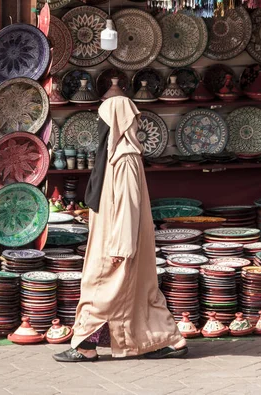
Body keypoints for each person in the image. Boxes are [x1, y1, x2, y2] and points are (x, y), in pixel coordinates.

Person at [53, 96, 187, 362]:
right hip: (113, 237)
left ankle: (85, 346)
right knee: (135, 295)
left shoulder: (124, 158)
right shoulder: (116, 154)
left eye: (102, 121)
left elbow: (128, 205)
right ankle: (170, 340)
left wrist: (120, 247)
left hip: (116, 241)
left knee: (99, 289)